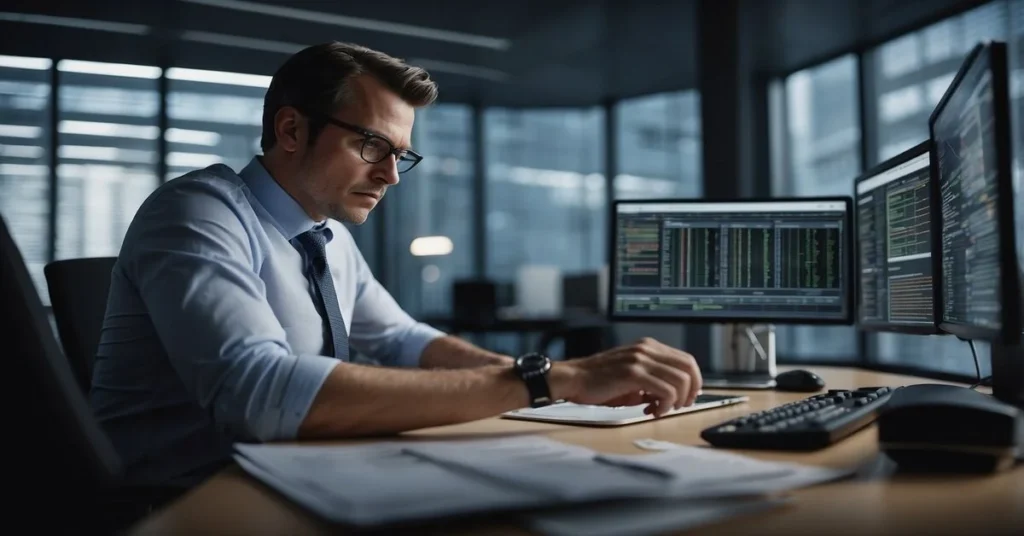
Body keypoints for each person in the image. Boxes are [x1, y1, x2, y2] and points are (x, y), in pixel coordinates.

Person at [90, 41, 702, 489]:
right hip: (185, 501)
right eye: (372, 146)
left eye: (400, 156)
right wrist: (549, 383)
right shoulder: (197, 212)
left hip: (288, 475)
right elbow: (260, 395)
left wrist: (548, 384)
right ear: (291, 129)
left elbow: (407, 341)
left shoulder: (324, 234)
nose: (389, 176)